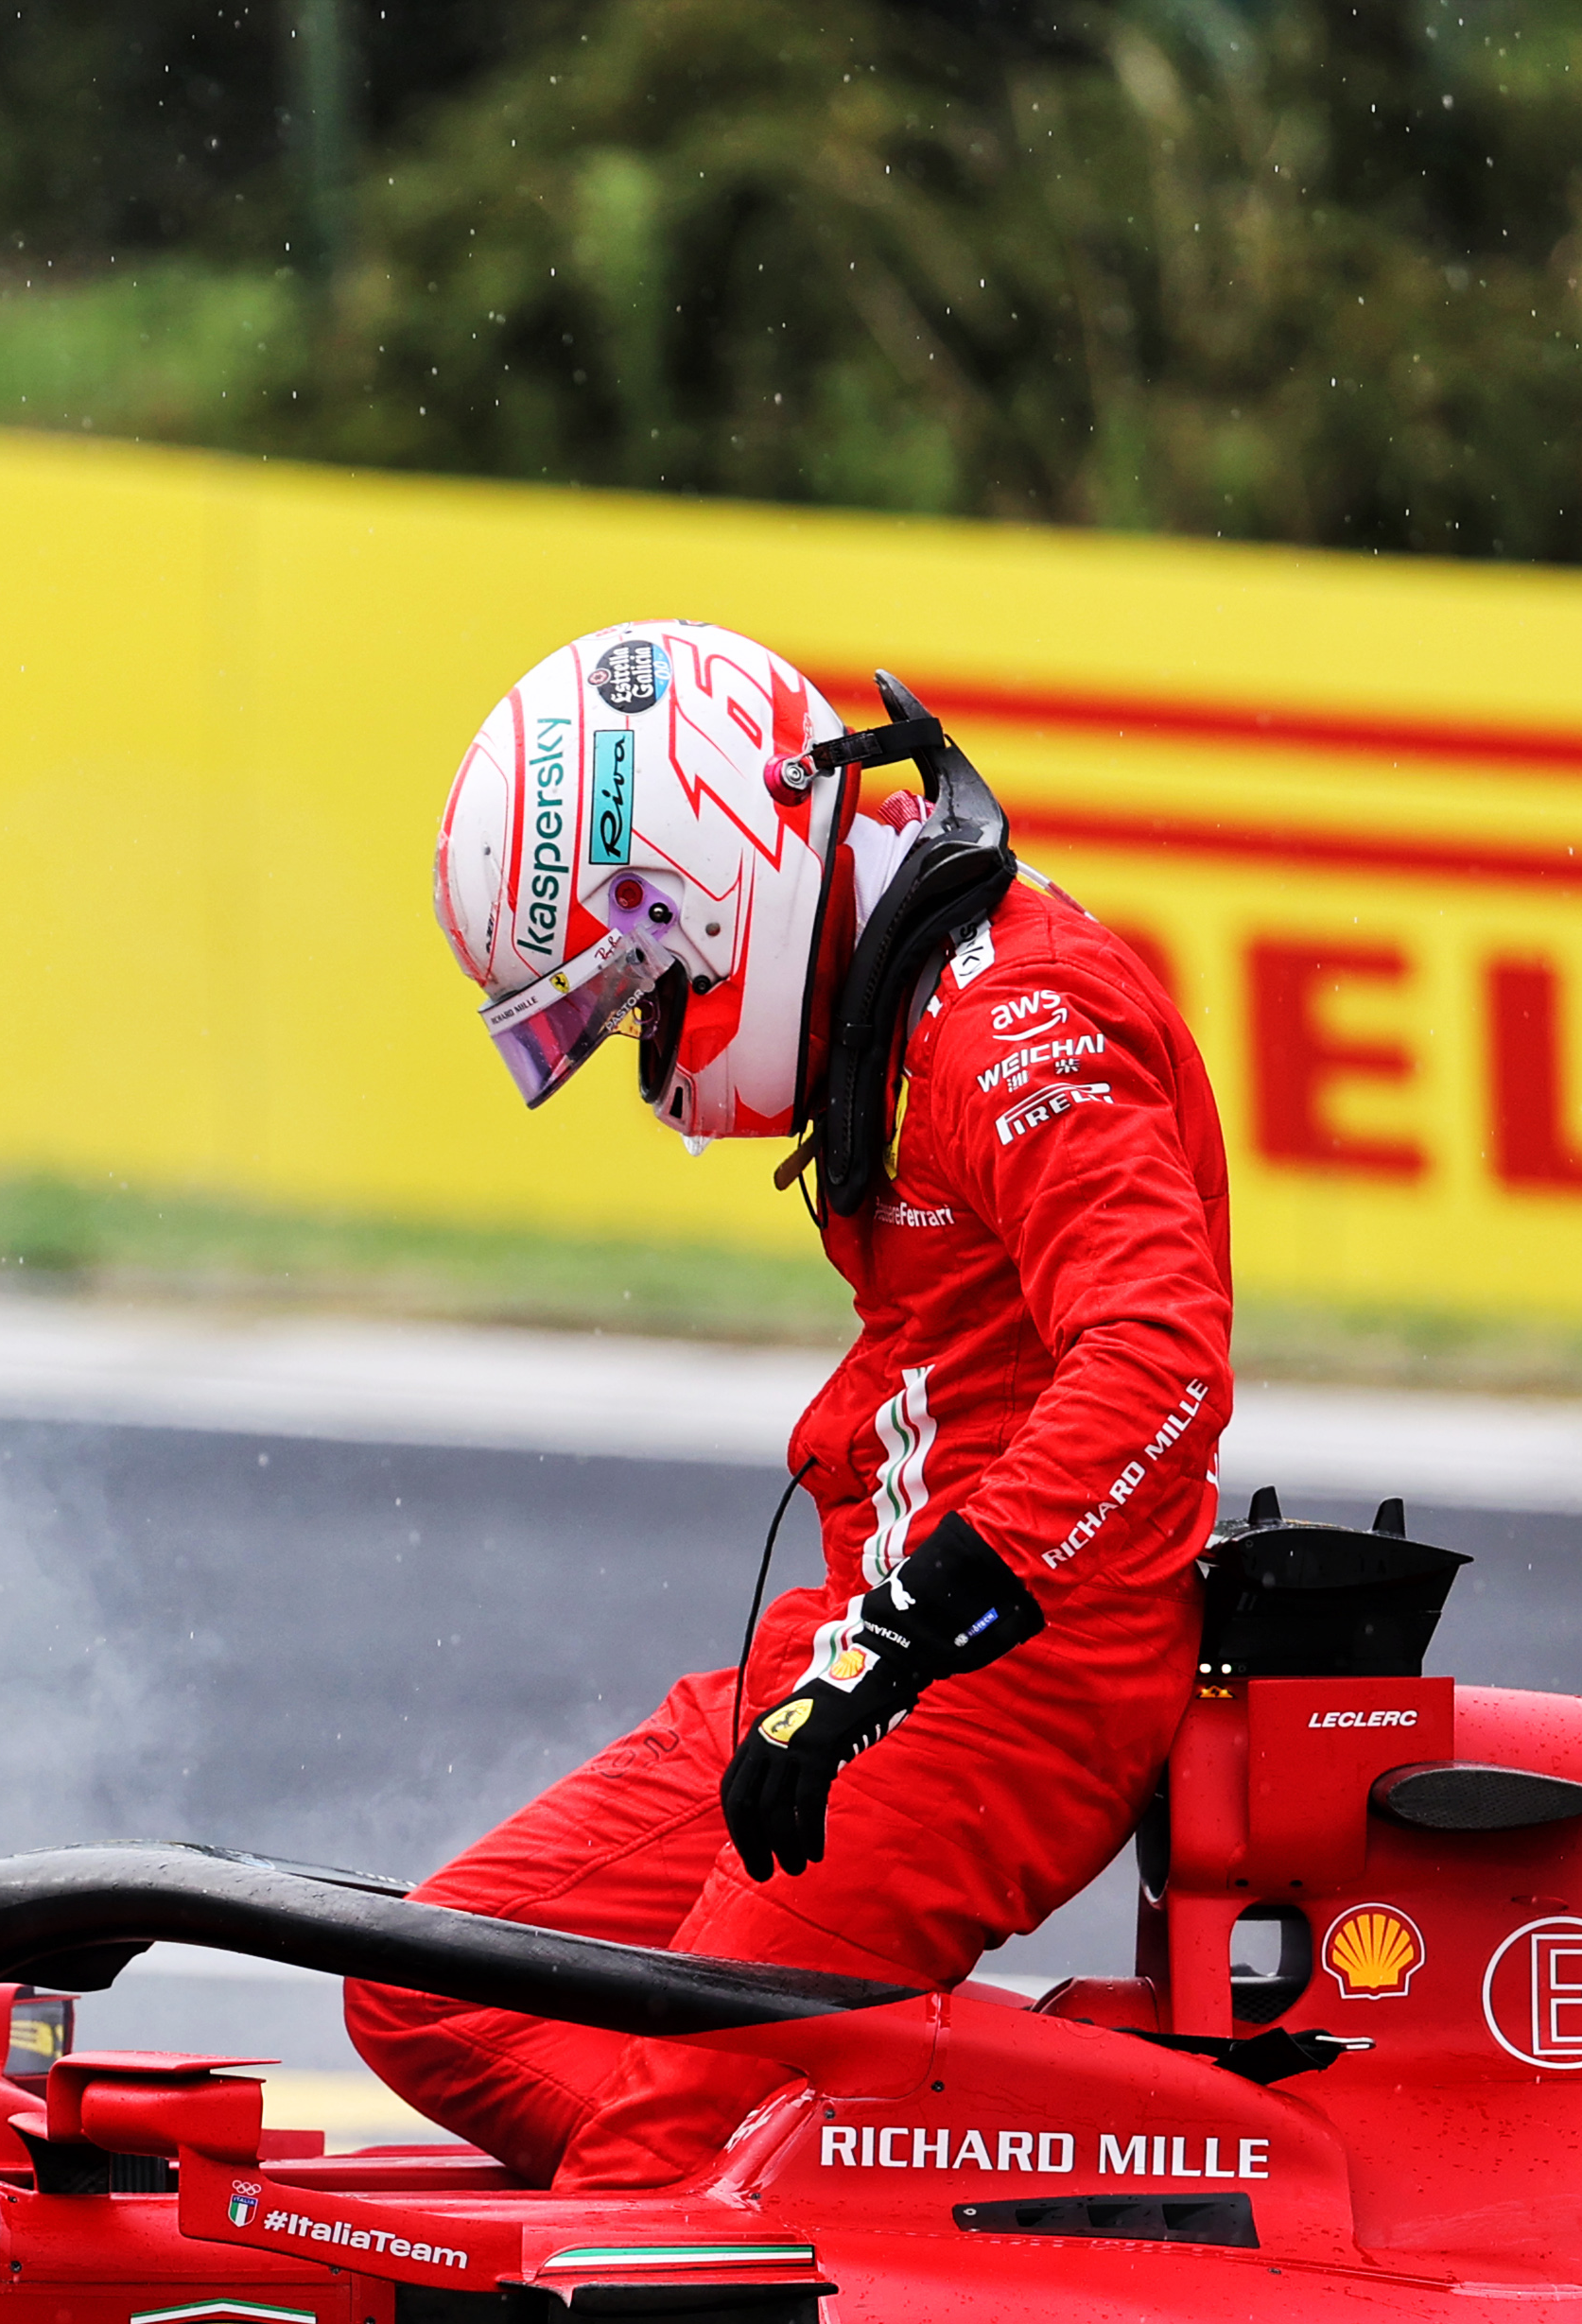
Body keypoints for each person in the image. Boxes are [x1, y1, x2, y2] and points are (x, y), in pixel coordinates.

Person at [343, 623, 1235, 2191]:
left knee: (645, 2190)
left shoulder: (1015, 1021)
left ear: (707, 885)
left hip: (1008, 1683)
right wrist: (860, 1654)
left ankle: (784, 2192)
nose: (645, 1054)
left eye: (635, 999)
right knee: (420, 1996)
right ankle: (832, 2169)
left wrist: (901, 1648)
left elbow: (1160, 1365)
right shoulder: (897, 1004)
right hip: (858, 1648)